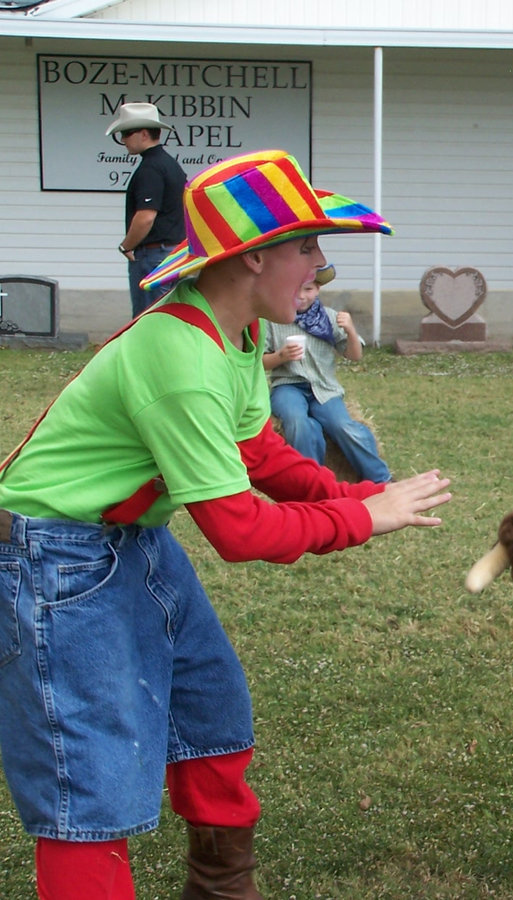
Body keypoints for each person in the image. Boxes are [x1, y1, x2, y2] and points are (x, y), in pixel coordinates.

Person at [0, 149, 452, 900]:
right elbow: (239, 531)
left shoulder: (235, 335)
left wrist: (359, 491)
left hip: (129, 542)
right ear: (250, 257)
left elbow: (258, 452)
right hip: (53, 560)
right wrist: (362, 520)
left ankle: (221, 889)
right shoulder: (179, 354)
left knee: (212, 709)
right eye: (306, 244)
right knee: (91, 783)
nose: (319, 263)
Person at [263, 264, 391, 483]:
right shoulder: (273, 320)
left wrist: (351, 330)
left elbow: (354, 355)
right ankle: (311, 481)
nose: (302, 296)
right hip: (288, 386)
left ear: (318, 289)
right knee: (297, 422)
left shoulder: (329, 318)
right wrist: (281, 356)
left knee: (342, 426)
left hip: (324, 388)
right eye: (295, 289)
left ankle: (381, 479)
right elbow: (261, 362)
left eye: (308, 289)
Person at [105, 102, 187, 317]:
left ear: (143, 134)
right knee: (169, 318)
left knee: (147, 320)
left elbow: (146, 217)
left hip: (153, 255)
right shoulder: (170, 164)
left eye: (126, 133)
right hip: (172, 253)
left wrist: (126, 246)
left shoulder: (150, 169)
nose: (123, 140)